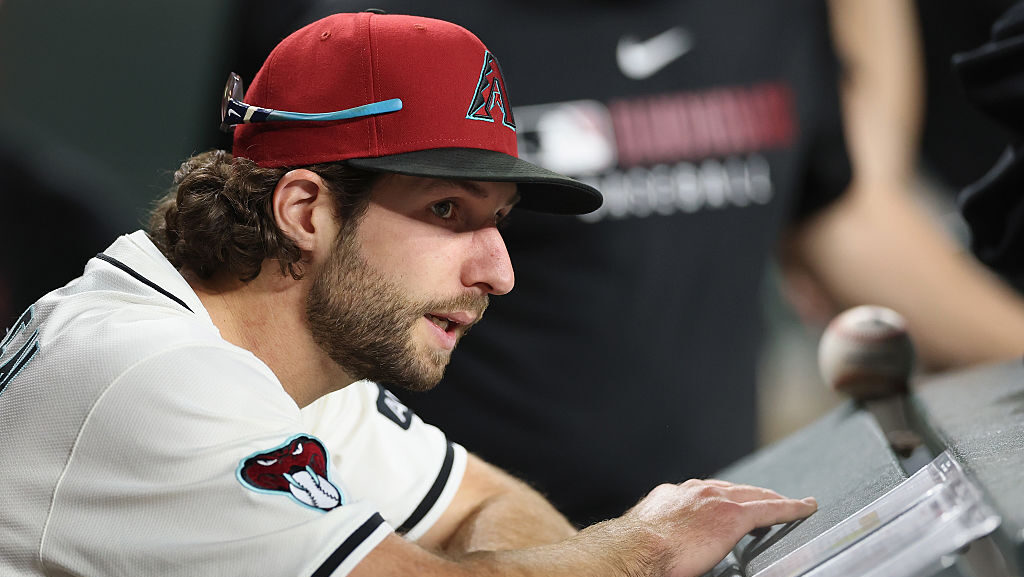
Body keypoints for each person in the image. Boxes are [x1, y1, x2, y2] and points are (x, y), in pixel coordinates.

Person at [0, 12, 816, 577]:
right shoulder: (149, 373)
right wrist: (640, 548)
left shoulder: (282, 353)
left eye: (499, 222)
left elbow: (483, 503)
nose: (499, 271)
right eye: (447, 211)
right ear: (306, 212)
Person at [249, 0, 1024, 527]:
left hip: (718, 536)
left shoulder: (768, 16)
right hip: (450, 538)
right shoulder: (364, 34)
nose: (495, 264)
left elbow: (845, 219)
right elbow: (268, 296)